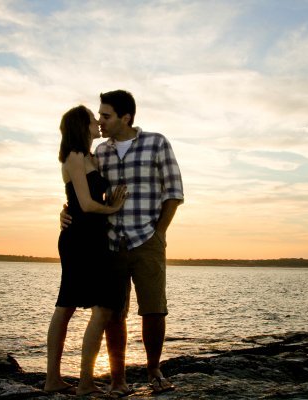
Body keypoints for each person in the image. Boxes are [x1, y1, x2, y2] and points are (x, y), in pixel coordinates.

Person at [61, 90, 184, 394]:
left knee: (154, 309)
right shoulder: (99, 153)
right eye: (99, 116)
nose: (100, 121)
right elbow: (82, 191)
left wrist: (159, 232)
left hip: (147, 239)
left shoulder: (157, 142)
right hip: (110, 242)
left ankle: (154, 370)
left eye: (106, 115)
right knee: (114, 312)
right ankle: (118, 380)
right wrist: (65, 212)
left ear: (125, 117)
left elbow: (174, 192)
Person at [44, 105, 128, 397]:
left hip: (93, 237)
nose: (97, 122)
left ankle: (72, 381)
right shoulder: (75, 157)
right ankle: (72, 381)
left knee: (81, 307)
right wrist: (113, 207)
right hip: (80, 239)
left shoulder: (92, 155)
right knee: (73, 305)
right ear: (83, 125)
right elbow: (86, 204)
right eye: (93, 119)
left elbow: (79, 202)